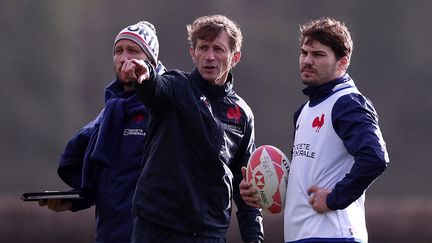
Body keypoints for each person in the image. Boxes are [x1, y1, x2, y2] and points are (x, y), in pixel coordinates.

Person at [240, 17, 389, 243]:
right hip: (302, 236)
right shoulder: (304, 111)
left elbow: (375, 157)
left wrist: (334, 199)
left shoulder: (348, 103)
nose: (307, 61)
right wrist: (262, 190)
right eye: (304, 52)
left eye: (318, 55)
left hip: (334, 235)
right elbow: (309, 181)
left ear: (343, 62)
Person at [119, 15, 264, 243]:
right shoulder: (176, 86)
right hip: (158, 229)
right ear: (192, 53)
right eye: (203, 48)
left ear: (234, 58)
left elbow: (245, 186)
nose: (209, 57)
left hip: (210, 234)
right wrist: (145, 72)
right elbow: (156, 87)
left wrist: (254, 238)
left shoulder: (243, 114)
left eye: (218, 49)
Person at [38, 20, 166, 243]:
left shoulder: (165, 108)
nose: (124, 58)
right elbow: (110, 179)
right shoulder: (112, 112)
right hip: (109, 235)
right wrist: (74, 201)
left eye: (133, 50)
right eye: (118, 51)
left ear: (150, 61)